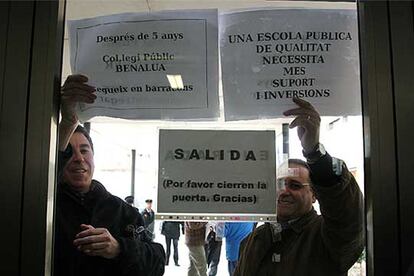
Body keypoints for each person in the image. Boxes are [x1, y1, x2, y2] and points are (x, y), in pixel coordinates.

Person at [234, 98, 364, 276]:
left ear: (314, 195)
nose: (284, 191)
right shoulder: (252, 240)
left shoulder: (327, 237)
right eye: (279, 184)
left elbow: (347, 215)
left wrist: (314, 154)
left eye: (294, 185)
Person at [55, 74, 165, 276]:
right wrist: (68, 122)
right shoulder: (44, 207)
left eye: (85, 150)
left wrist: (119, 248)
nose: (78, 158)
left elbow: (157, 261)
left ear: (94, 157)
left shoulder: (121, 211)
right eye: (69, 151)